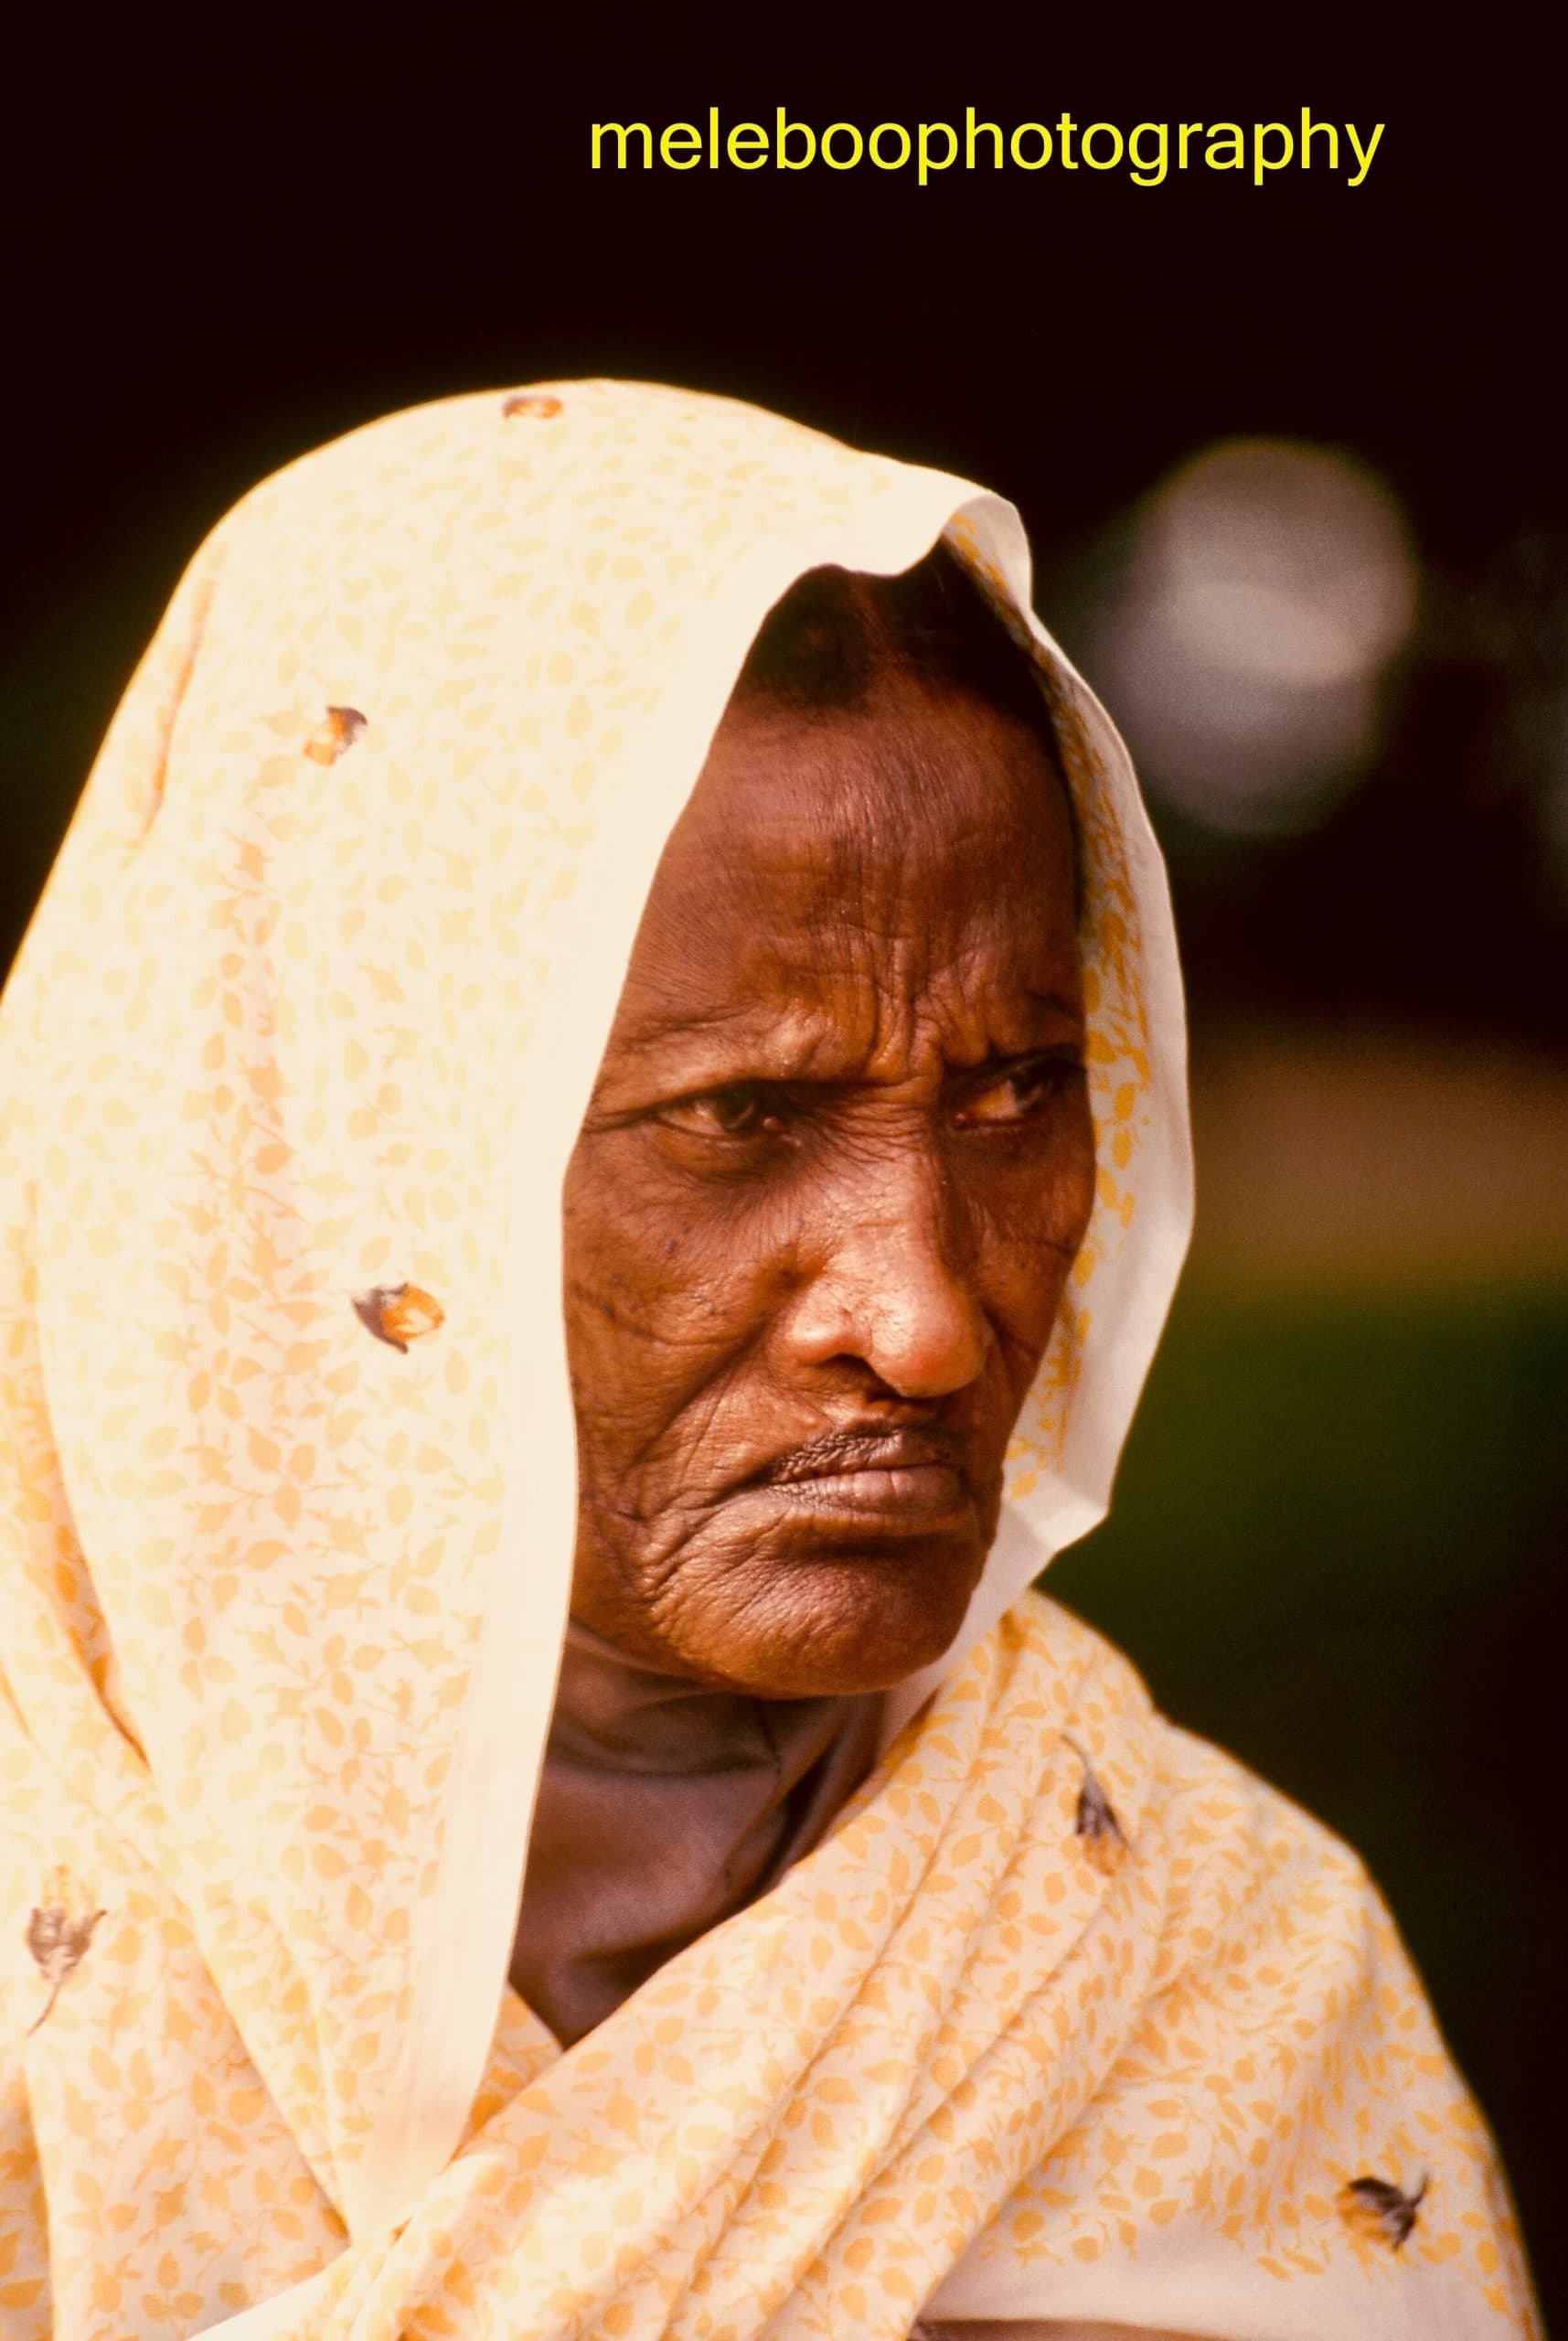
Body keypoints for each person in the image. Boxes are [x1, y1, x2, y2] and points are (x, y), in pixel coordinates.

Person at [0, 380, 1538, 2339]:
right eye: (738, 1117)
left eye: (1015, 1092)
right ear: (312, 1155)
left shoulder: (1199, 1964)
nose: (929, 1318)